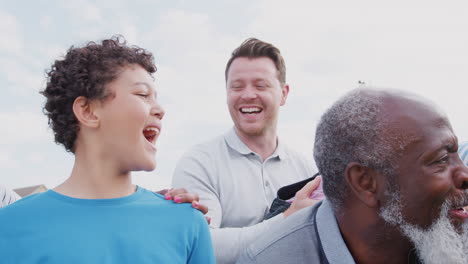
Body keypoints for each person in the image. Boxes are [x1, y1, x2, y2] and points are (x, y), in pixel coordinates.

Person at [0, 36, 215, 264]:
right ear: (88, 111)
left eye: (156, 98)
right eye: (142, 95)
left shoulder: (187, 221)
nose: (160, 110)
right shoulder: (9, 226)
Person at [237, 88, 468, 264]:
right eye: (440, 160)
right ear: (365, 183)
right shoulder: (272, 258)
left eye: (456, 154)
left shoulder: (449, 239)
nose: (464, 175)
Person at [172, 38, 320, 264]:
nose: (248, 95)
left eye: (261, 85)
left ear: (284, 93)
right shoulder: (200, 162)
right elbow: (200, 245)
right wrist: (288, 218)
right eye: (237, 86)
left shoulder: (305, 168)